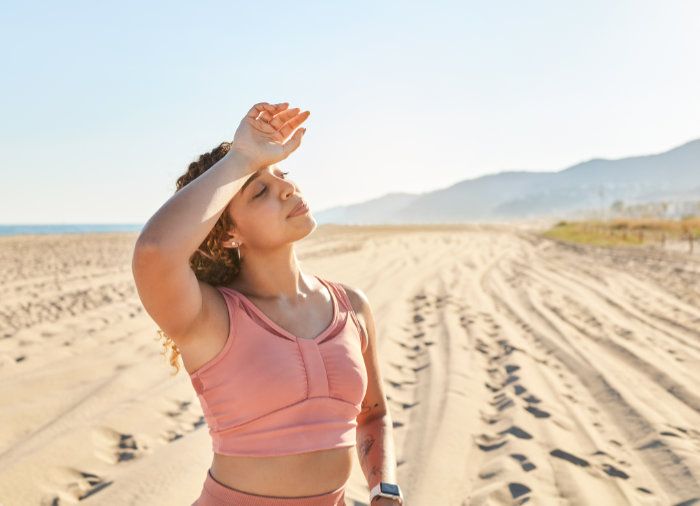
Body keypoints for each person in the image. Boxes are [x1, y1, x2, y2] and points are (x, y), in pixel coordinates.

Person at [131, 102, 404, 505]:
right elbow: (155, 252)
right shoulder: (210, 318)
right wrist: (241, 159)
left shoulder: (351, 307)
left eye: (283, 175)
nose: (287, 188)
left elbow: (373, 416)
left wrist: (385, 491)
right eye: (260, 190)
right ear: (227, 235)